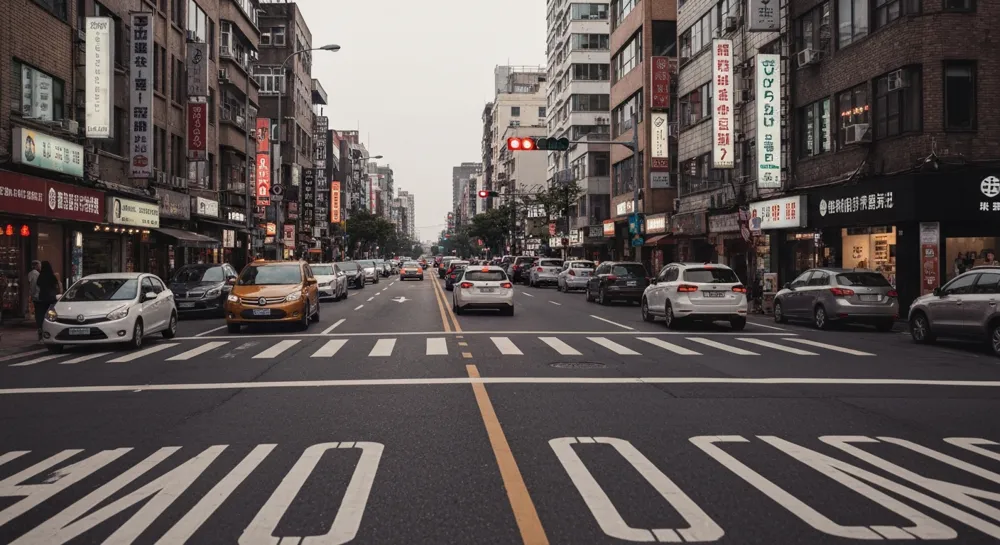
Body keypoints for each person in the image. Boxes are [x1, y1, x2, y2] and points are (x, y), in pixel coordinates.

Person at [33, 261, 61, 341]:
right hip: (51, 298)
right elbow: (56, 285)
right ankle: (50, 331)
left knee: (41, 315)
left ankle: (41, 331)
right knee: (50, 315)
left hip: (42, 298)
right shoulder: (52, 276)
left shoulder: (41, 276)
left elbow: (38, 285)